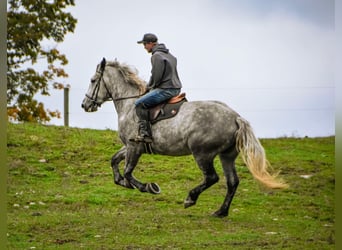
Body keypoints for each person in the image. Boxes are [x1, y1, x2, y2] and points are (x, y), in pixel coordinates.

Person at [131, 33, 182, 143]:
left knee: (139, 103)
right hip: (176, 88)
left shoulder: (156, 56)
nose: (144, 47)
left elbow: (156, 76)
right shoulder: (170, 55)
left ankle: (145, 134)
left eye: (145, 44)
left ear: (151, 43)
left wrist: (149, 87)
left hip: (166, 89)